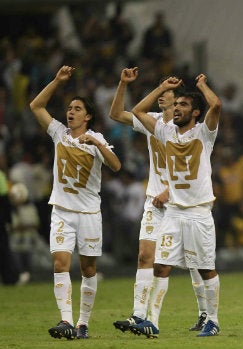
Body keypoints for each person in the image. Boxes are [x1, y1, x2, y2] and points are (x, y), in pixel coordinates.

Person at [109, 67, 208, 334]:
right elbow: (116, 114)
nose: (163, 97)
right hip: (155, 201)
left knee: (194, 261)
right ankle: (139, 315)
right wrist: (123, 84)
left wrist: (171, 191)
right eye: (161, 92)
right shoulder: (152, 121)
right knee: (145, 256)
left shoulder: (191, 130)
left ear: (179, 101)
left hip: (181, 200)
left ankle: (205, 314)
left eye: (168, 93)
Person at [29, 65, 121, 340]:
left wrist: (98, 145)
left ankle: (83, 323)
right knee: (59, 264)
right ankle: (66, 320)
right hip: (62, 211)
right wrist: (57, 80)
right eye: (70, 108)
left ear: (89, 116)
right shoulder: (59, 133)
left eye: (78, 108)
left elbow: (116, 166)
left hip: (89, 213)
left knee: (88, 269)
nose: (71, 112)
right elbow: (36, 105)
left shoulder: (97, 140)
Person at [127, 73, 222, 338]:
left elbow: (217, 106)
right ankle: (152, 321)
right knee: (161, 266)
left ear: (195, 112)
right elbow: (137, 110)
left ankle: (213, 320)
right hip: (174, 212)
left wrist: (202, 85)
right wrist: (161, 87)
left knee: (205, 269)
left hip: (200, 213)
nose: (176, 108)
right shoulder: (165, 131)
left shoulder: (204, 134)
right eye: (175, 104)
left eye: (182, 105)